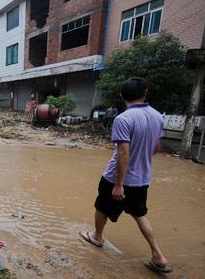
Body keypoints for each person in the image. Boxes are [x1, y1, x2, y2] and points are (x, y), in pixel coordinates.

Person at [80, 77, 172, 274]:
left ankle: (97, 237)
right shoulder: (158, 116)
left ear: (122, 96)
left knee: (101, 207)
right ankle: (158, 255)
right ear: (145, 92)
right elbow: (156, 148)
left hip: (117, 178)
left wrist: (119, 184)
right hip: (142, 178)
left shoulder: (123, 119)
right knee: (140, 214)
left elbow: (123, 152)